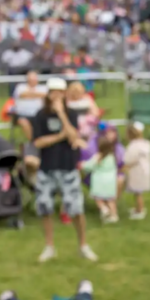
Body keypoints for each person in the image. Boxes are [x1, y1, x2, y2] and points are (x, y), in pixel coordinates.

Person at [30, 78, 97, 262]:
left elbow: (74, 136)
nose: (56, 95)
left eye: (60, 92)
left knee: (76, 209)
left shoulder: (72, 114)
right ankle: (49, 246)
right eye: (53, 92)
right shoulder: (39, 116)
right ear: (48, 93)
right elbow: (38, 142)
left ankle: (83, 245)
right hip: (47, 168)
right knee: (45, 208)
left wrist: (61, 115)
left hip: (68, 167)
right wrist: (60, 136)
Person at [80, 136, 119, 223]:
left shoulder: (98, 157)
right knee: (110, 200)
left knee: (98, 199)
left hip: (99, 182)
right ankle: (114, 216)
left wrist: (82, 164)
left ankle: (104, 209)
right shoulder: (112, 157)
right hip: (111, 182)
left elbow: (89, 166)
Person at [122, 121, 150, 219]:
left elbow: (128, 159)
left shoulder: (133, 146)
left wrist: (125, 165)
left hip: (137, 172)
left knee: (138, 193)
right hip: (144, 171)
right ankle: (137, 208)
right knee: (138, 192)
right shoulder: (145, 144)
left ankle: (140, 211)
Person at [10, 71, 47, 141]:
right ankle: (33, 142)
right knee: (24, 122)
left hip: (39, 114)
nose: (32, 81)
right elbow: (22, 94)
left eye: (34, 79)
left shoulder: (43, 87)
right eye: (30, 79)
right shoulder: (20, 87)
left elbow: (46, 95)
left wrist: (30, 94)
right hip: (22, 114)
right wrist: (38, 95)